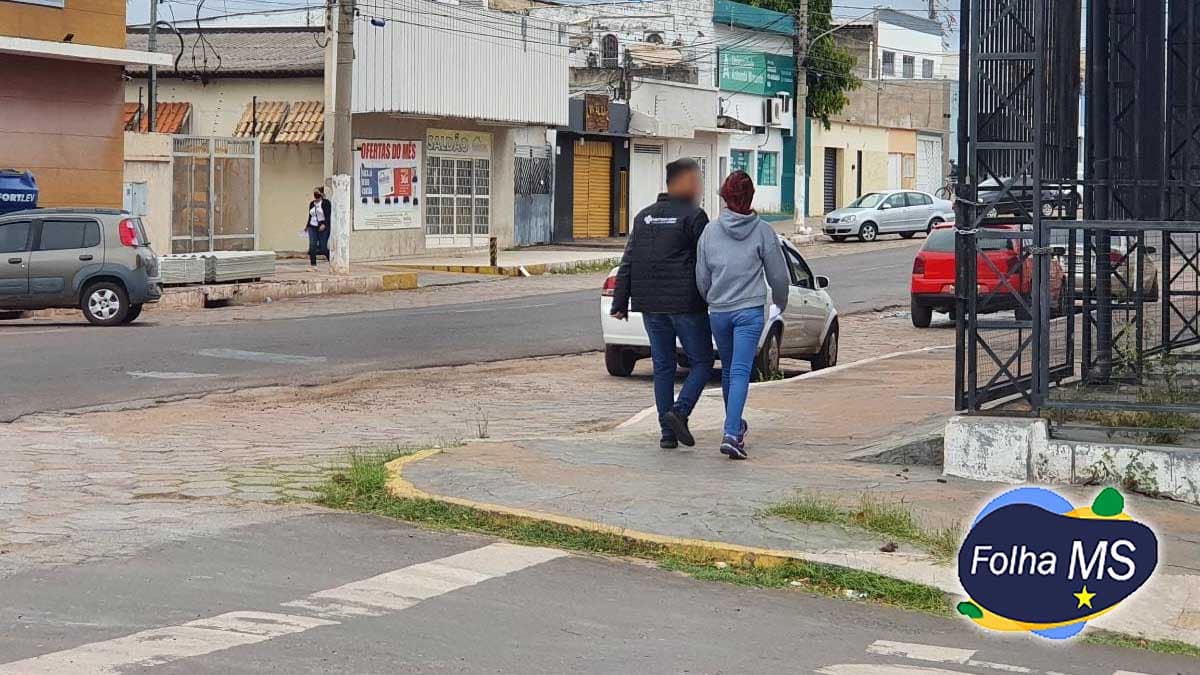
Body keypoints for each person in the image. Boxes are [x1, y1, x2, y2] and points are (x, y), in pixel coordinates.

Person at [610, 158, 714, 449]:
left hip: (650, 305)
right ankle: (679, 412)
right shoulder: (695, 217)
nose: (699, 187)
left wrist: (620, 301)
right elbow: (707, 262)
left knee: (664, 367)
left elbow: (628, 260)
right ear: (681, 183)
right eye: (696, 180)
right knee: (703, 362)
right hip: (686, 305)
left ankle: (667, 434)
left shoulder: (643, 217)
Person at [695, 170, 790, 460]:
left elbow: (702, 278)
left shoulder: (709, 232)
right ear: (750, 197)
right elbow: (779, 276)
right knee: (740, 371)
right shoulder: (763, 231)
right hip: (749, 311)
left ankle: (734, 425)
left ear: (725, 196)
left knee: (728, 369)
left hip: (719, 312)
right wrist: (780, 302)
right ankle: (732, 432)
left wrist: (712, 299)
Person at [306, 187, 332, 270]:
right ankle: (313, 266)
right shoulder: (312, 203)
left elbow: (328, 215)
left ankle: (332, 261)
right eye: (314, 193)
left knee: (323, 247)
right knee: (312, 246)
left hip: (323, 227)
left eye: (317, 193)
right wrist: (307, 226)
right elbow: (310, 216)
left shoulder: (326, 203)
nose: (315, 194)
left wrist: (324, 224)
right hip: (312, 226)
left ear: (321, 194)